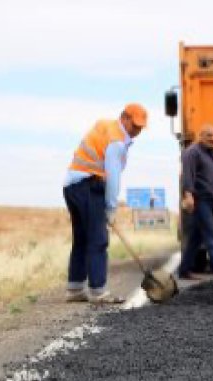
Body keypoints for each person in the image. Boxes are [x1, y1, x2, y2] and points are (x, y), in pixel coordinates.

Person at [63, 103, 146, 302]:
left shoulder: (106, 125)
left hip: (72, 186)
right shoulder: (116, 142)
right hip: (89, 186)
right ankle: (98, 291)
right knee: (98, 240)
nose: (137, 131)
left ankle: (74, 289)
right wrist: (110, 208)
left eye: (141, 128)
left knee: (82, 239)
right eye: (135, 125)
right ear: (124, 118)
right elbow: (113, 177)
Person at [179, 124, 213, 280]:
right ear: (200, 136)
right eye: (209, 135)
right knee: (210, 233)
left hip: (211, 200)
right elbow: (188, 176)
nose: (212, 139)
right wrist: (188, 195)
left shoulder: (212, 153)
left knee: (196, 237)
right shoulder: (192, 153)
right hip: (199, 199)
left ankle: (185, 269)